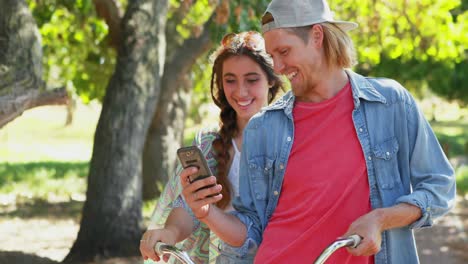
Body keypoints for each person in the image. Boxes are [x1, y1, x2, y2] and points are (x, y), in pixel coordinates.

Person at [178, 0, 457, 263]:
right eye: (272, 55)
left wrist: (381, 219)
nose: (277, 67)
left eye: (284, 52)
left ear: (317, 36)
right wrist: (207, 213)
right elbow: (252, 230)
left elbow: (439, 186)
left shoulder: (389, 103)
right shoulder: (263, 128)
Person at [139, 31, 283, 263]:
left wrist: (207, 212)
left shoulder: (288, 141)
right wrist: (171, 232)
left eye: (252, 79)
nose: (240, 91)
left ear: (272, 79)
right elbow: (189, 205)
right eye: (230, 80)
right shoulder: (208, 145)